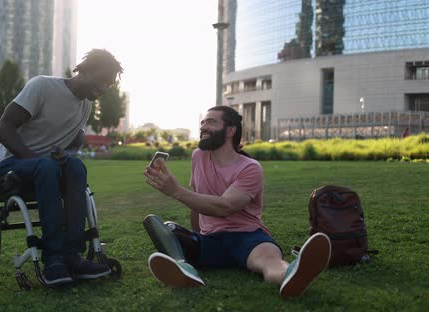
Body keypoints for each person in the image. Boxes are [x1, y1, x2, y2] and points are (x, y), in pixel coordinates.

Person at [142, 106, 331, 299]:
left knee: (269, 261)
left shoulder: (250, 168)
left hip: (247, 238)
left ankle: (290, 275)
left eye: (211, 122)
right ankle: (185, 270)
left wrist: (176, 191)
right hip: (211, 241)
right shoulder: (198, 156)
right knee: (167, 229)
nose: (204, 127)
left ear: (231, 130)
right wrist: (197, 236)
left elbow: (226, 207)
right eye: (203, 122)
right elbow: (197, 198)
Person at [0, 49, 124, 286]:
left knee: (76, 167)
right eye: (102, 80)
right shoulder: (42, 86)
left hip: (44, 169)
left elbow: (73, 139)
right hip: (8, 167)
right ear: (85, 70)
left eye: (109, 85)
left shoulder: (85, 107)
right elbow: (3, 128)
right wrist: (35, 160)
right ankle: (54, 260)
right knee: (48, 167)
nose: (104, 88)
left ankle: (72, 255)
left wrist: (65, 153)